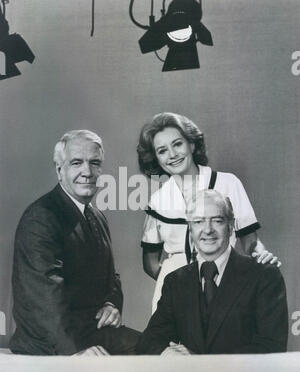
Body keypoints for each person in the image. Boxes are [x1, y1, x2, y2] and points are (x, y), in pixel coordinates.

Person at [10, 130, 140, 356]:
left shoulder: (97, 216)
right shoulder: (42, 217)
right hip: (51, 343)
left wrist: (112, 304)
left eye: (95, 163)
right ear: (60, 170)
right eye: (77, 162)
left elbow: (111, 276)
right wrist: (74, 352)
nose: (87, 172)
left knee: (160, 348)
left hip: (90, 331)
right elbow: (43, 298)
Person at [137, 112, 281, 313]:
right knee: (173, 345)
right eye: (162, 150)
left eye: (177, 144)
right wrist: (178, 282)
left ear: (192, 144)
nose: (172, 154)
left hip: (222, 279)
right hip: (175, 292)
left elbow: (250, 241)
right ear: (156, 158)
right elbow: (150, 262)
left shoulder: (228, 183)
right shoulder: (157, 200)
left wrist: (261, 254)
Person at [136, 190, 288, 355]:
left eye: (217, 221)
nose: (207, 230)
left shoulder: (264, 275)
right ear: (190, 229)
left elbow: (271, 346)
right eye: (199, 221)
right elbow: (149, 341)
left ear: (230, 227)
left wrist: (203, 365)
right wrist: (166, 352)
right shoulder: (175, 281)